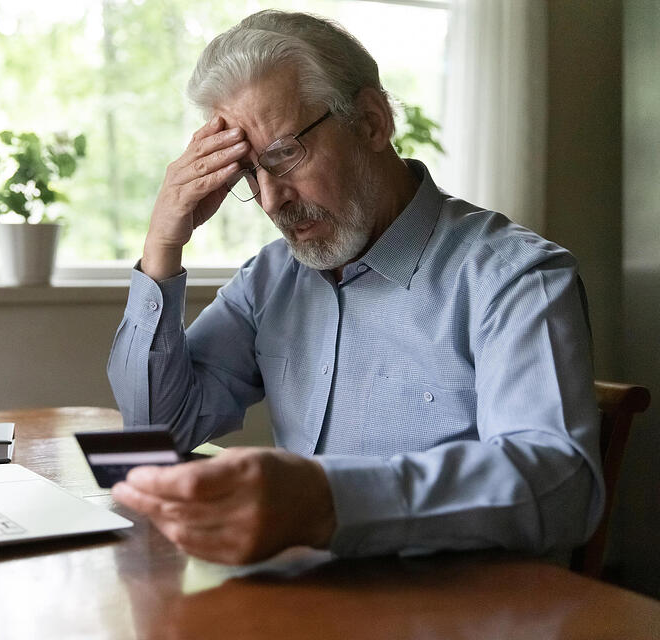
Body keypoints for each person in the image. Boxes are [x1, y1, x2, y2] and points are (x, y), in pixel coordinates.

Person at [107, 10, 604, 565]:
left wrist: (326, 501)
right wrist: (161, 248)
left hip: (460, 611)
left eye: (284, 155)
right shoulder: (270, 280)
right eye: (249, 173)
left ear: (371, 122)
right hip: (303, 603)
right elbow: (160, 433)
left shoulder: (514, 276)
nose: (270, 200)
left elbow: (560, 488)